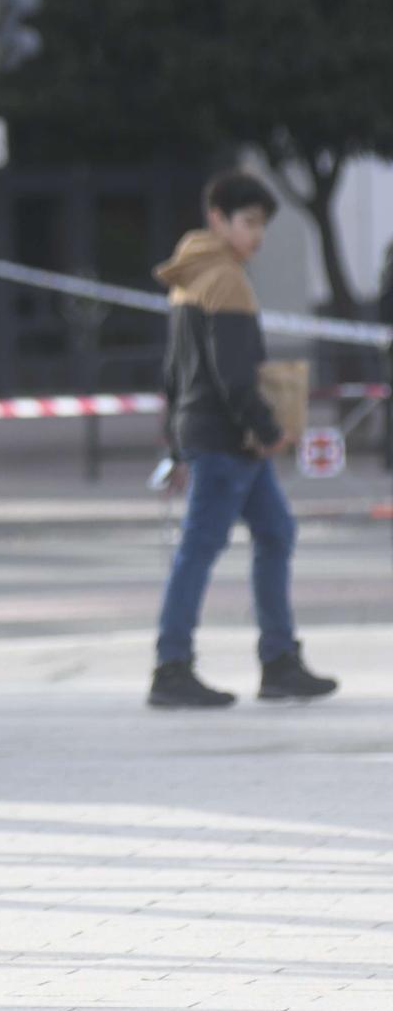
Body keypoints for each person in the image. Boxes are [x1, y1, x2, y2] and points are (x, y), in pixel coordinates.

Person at [148, 169, 338, 709]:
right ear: (218, 219)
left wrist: (173, 440)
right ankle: (172, 665)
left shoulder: (189, 277)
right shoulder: (225, 279)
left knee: (274, 533)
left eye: (262, 225)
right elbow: (234, 373)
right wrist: (267, 428)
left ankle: (278, 660)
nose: (256, 235)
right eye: (249, 222)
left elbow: (173, 371)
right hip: (230, 438)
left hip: (208, 432)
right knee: (199, 550)